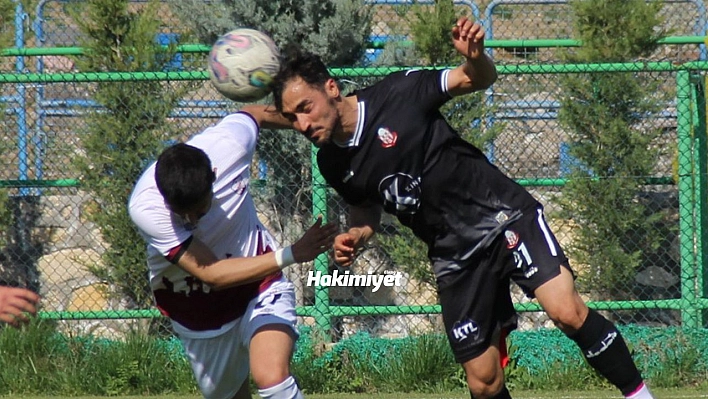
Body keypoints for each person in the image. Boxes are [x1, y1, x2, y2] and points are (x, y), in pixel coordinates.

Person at [270, 16, 655, 399]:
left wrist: (476, 57)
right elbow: (365, 210)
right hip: (453, 253)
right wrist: (355, 235)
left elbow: (476, 78)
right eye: (291, 117)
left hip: (501, 214)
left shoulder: (400, 92)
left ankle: (639, 395)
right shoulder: (332, 162)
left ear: (332, 89)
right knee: (482, 382)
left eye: (305, 107)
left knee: (566, 311)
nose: (301, 123)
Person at [128, 104, 338, 399]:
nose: (189, 221)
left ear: (214, 178)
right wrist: (293, 252)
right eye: (181, 214)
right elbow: (211, 274)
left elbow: (256, 112)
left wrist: (309, 122)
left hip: (260, 287)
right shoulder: (146, 208)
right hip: (198, 311)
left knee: (272, 379)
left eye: (198, 212)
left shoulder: (231, 145)